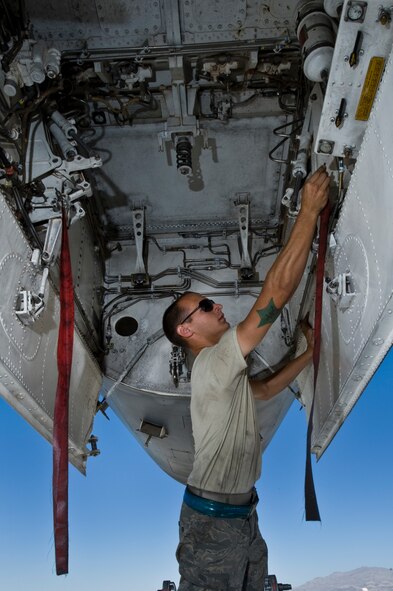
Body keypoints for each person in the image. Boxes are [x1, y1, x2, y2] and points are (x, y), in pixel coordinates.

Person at [162, 167, 330, 591]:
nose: (215, 306)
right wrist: (308, 212)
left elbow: (268, 389)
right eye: (204, 306)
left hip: (240, 515)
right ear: (187, 330)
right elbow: (274, 295)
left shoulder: (224, 377)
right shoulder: (213, 360)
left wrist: (310, 356)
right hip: (211, 524)